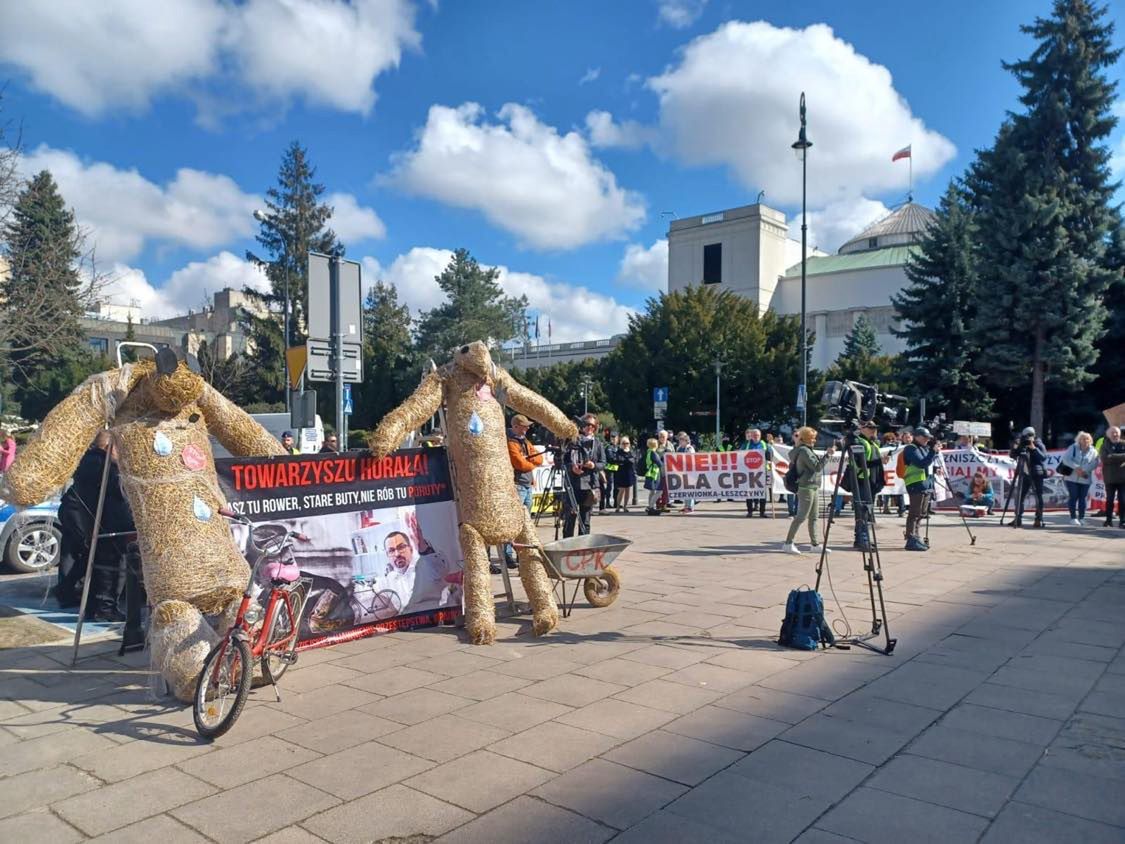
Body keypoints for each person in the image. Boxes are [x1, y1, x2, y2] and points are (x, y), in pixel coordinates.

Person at [51, 431, 134, 620]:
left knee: (93, 563)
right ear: (109, 447)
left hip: (93, 520)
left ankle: (89, 604)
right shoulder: (104, 466)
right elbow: (120, 492)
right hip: (108, 522)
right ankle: (105, 607)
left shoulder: (87, 462)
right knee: (110, 567)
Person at [783, 427, 835, 555]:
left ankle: (815, 544)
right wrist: (828, 455)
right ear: (806, 439)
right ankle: (788, 543)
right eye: (812, 438)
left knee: (814, 517)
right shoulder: (805, 451)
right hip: (806, 486)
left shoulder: (802, 450)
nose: (815, 440)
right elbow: (817, 467)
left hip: (812, 486)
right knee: (801, 516)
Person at [501, 414, 543, 571]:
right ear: (516, 426)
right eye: (524, 426)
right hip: (517, 484)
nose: (527, 428)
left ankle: (521, 552)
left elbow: (539, 459)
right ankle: (508, 553)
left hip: (526, 484)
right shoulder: (511, 442)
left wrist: (529, 461)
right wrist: (530, 462)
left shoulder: (525, 441)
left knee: (526, 521)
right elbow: (519, 463)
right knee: (513, 520)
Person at [842, 420, 884, 551]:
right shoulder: (858, 441)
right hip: (861, 480)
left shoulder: (871, 442)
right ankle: (862, 539)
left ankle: (861, 538)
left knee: (866, 512)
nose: (873, 430)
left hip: (870, 481)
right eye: (870, 427)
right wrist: (879, 461)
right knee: (862, 511)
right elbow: (862, 463)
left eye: (875, 427)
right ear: (861, 428)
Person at [562, 414, 606, 537]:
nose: (589, 427)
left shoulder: (598, 443)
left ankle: (583, 546)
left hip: (590, 485)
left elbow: (603, 463)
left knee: (585, 520)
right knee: (570, 518)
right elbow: (562, 460)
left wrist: (593, 465)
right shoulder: (572, 440)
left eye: (592, 425)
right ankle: (568, 545)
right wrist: (572, 467)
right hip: (573, 484)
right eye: (586, 424)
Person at [903, 427, 940, 551]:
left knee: (921, 514)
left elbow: (927, 465)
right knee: (914, 513)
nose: (927, 440)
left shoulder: (924, 448)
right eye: (925, 437)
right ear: (917, 436)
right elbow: (921, 463)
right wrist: (932, 452)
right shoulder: (910, 448)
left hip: (925, 484)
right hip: (915, 483)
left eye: (928, 438)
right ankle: (910, 539)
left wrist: (935, 469)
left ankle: (916, 537)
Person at [1010, 426, 1047, 528]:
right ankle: (1018, 518)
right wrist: (1015, 446)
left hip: (1036, 474)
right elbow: (1013, 455)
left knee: (1038, 497)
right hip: (1025, 473)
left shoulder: (1039, 443)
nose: (1028, 439)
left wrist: (1033, 448)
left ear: (1034, 435)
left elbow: (1043, 458)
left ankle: (1038, 519)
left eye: (1030, 436)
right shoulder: (1022, 443)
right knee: (1019, 496)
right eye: (1026, 436)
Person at [1059, 431, 1099, 526]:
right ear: (1079, 440)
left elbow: (1095, 463)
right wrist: (1076, 468)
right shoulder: (1072, 447)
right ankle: (1073, 518)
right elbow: (1066, 459)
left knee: (1083, 498)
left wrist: (1083, 470)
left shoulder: (1093, 451)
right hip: (1071, 478)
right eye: (1083, 438)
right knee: (1073, 496)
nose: (1085, 440)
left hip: (1085, 478)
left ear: (1090, 440)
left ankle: (1082, 518)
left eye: (1087, 439)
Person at [739, 428, 772, 517]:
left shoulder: (765, 445)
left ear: (760, 436)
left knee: (762, 493)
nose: (755, 437)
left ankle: (762, 512)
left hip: (762, 472)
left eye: (757, 435)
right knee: (749, 492)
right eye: (754, 435)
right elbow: (739, 455)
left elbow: (770, 457)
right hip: (749, 472)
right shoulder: (746, 444)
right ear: (751, 436)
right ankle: (750, 511)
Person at [1099, 426, 1125, 527]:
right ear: (1108, 435)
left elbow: (1110, 457)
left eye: (1116, 433)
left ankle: (1122, 521)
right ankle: (1108, 520)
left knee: (1123, 500)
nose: (1115, 435)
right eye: (1112, 433)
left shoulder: (1123, 443)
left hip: (1123, 477)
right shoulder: (1104, 445)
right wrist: (1122, 456)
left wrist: (1113, 456)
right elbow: (1105, 459)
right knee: (1109, 500)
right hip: (1110, 478)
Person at [674, 431, 696, 513]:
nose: (680, 441)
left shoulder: (689, 448)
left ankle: (690, 507)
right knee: (684, 490)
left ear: (686, 441)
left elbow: (691, 460)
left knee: (689, 489)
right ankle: (686, 506)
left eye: (682, 439)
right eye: (679, 439)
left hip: (689, 472)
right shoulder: (679, 448)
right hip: (681, 471)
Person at [613, 436, 637, 512]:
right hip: (621, 473)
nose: (625, 445)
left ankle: (625, 507)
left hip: (629, 472)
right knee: (621, 490)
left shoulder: (631, 451)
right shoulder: (619, 451)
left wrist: (626, 460)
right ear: (621, 444)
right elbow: (619, 460)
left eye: (627, 443)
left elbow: (633, 459)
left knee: (628, 490)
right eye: (624, 443)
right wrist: (627, 460)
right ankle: (617, 507)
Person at [643, 437, 664, 515]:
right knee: (659, 491)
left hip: (650, 473)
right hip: (654, 474)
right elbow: (660, 464)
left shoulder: (648, 452)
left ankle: (650, 506)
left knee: (652, 491)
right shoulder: (653, 453)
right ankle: (651, 507)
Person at [600, 432, 619, 513]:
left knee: (617, 486)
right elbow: (611, 458)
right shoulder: (608, 447)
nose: (614, 439)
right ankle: (607, 502)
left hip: (617, 469)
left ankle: (616, 502)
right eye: (612, 438)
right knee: (609, 486)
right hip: (609, 469)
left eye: (615, 438)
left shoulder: (618, 447)